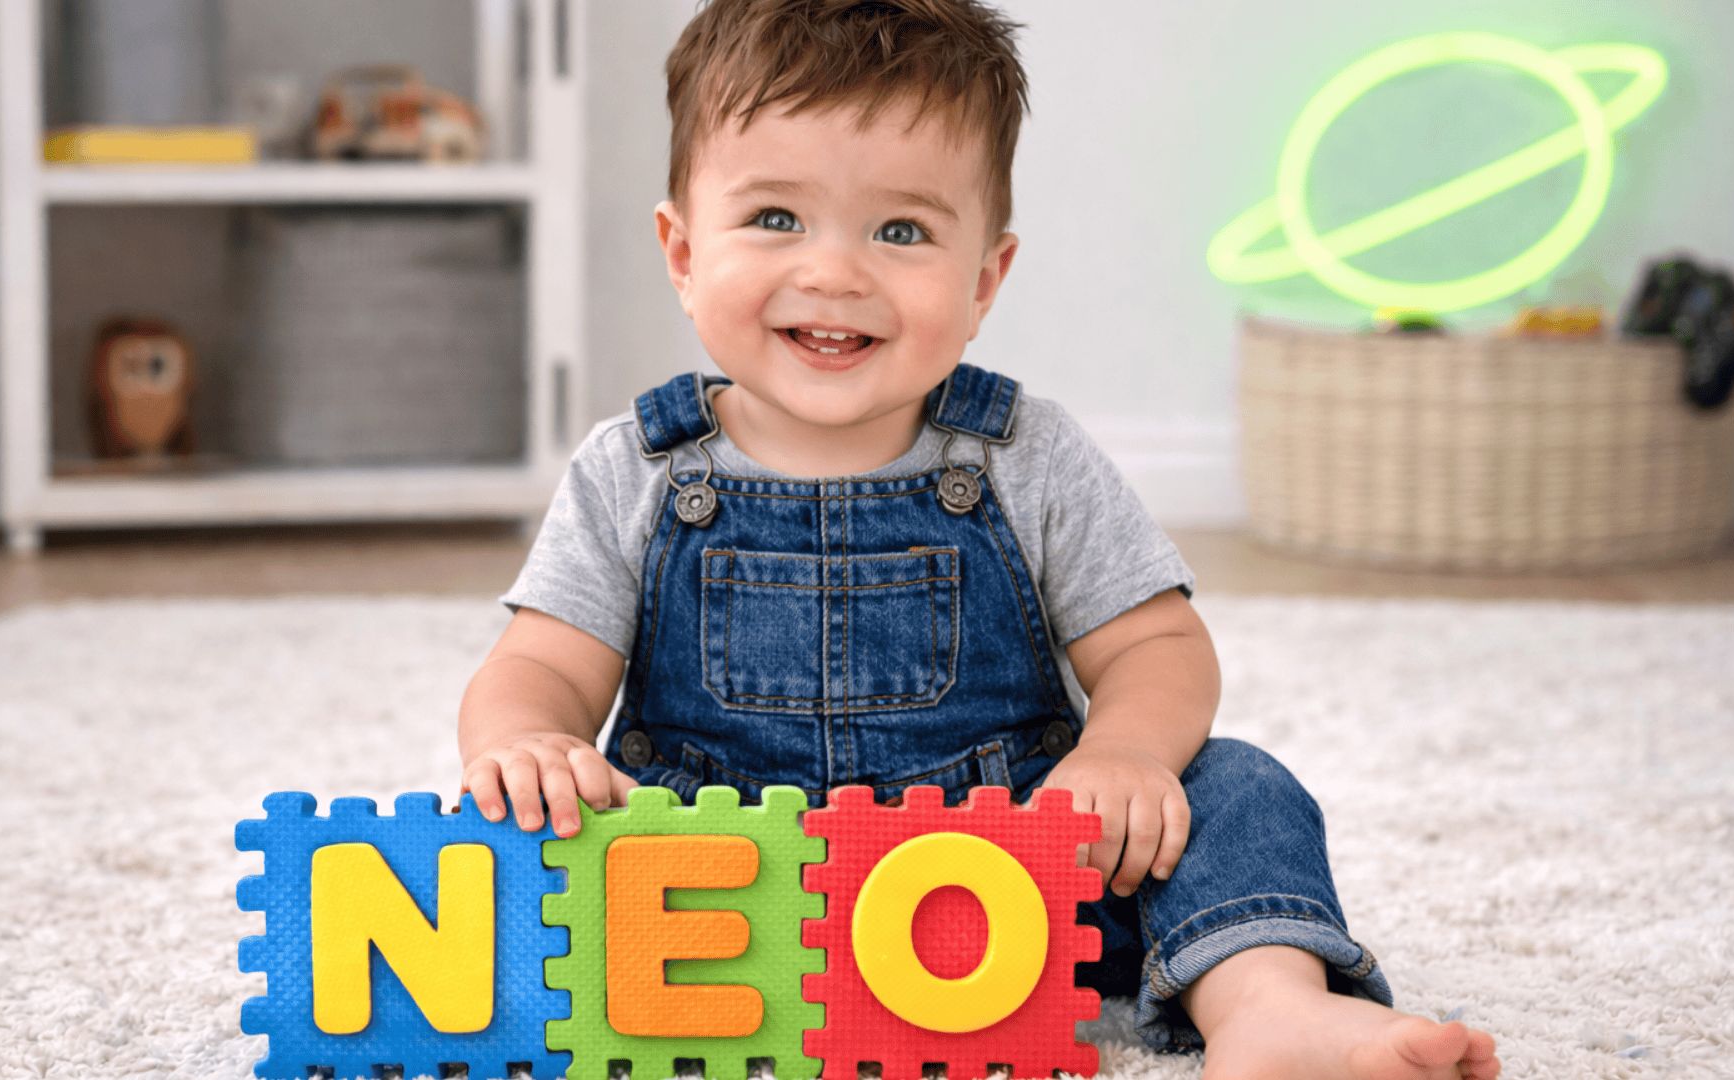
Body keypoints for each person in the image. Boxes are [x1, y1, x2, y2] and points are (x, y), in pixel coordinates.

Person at [458, 2, 1498, 1077]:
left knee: (1231, 784)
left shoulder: (1026, 453)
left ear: (984, 280)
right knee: (505, 825)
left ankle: (1269, 1008)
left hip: (1011, 893)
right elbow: (540, 664)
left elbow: (1157, 647)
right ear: (682, 250)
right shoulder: (633, 465)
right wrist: (530, 743)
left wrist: (1123, 756)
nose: (836, 273)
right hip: (707, 897)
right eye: (775, 217)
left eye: (900, 232)